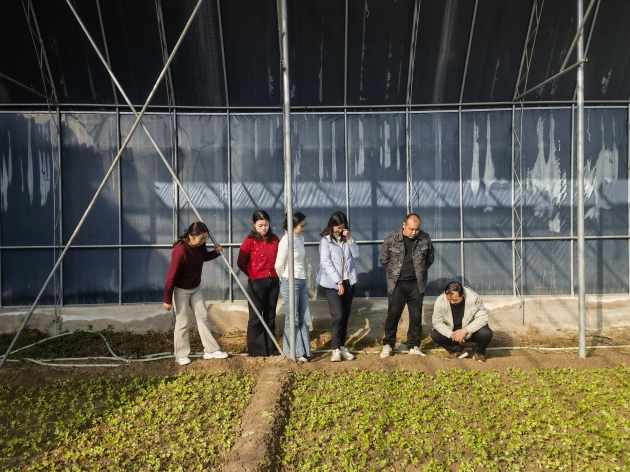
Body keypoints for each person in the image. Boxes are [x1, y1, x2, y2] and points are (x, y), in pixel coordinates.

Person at [164, 221, 229, 366]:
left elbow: (202, 257)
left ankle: (211, 350)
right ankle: (181, 355)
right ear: (191, 235)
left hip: (195, 288)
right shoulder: (180, 251)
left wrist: (216, 252)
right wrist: (167, 300)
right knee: (182, 322)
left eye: (205, 238)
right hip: (181, 290)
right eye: (201, 238)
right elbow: (171, 277)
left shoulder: (200, 246)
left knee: (203, 317)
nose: (203, 241)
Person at [379, 214, 434, 358]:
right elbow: (384, 259)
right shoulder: (391, 238)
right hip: (397, 284)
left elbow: (430, 259)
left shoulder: (425, 238)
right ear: (404, 225)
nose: (414, 232)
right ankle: (388, 345)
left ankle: (414, 346)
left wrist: (420, 272)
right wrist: (395, 273)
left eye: (417, 229)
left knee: (416, 317)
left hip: (417, 285)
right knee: (393, 315)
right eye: (411, 229)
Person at [316, 211, 361, 362]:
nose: (340, 230)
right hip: (332, 283)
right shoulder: (325, 241)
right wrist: (338, 282)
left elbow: (356, 254)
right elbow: (326, 263)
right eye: (337, 227)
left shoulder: (346, 239)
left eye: (342, 227)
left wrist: (350, 239)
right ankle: (335, 350)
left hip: (349, 281)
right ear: (331, 224)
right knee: (338, 315)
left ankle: (342, 347)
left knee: (345, 316)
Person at [237, 210, 280, 357]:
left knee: (270, 316)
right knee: (256, 317)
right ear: (254, 224)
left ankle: (271, 350)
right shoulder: (249, 241)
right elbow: (241, 262)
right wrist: (253, 274)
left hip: (273, 281)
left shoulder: (274, 239)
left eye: (266, 225)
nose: (264, 228)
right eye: (260, 225)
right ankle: (257, 353)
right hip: (256, 283)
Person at [275, 211, 311, 362]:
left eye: (305, 225)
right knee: (292, 319)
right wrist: (285, 280)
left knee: (306, 317)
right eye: (302, 226)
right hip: (290, 280)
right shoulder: (286, 240)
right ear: (293, 226)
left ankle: (303, 350)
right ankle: (292, 353)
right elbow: (278, 265)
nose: (304, 228)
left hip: (301, 281)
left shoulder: (300, 238)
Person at [431, 281, 493, 363]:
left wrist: (465, 330)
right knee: (435, 334)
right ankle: (458, 350)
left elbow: (482, 318)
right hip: (453, 333)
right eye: (449, 299)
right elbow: (437, 322)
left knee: (486, 333)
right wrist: (451, 334)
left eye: (455, 300)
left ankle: (478, 352)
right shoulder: (440, 300)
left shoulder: (473, 298)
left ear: (462, 294)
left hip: (470, 332)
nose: (452, 302)